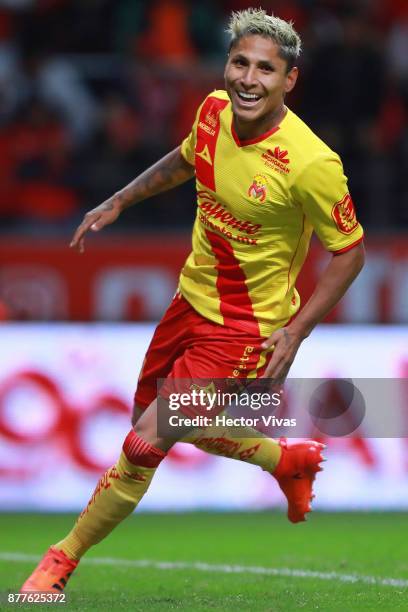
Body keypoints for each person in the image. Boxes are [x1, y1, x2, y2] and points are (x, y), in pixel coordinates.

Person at [21, 8, 364, 593]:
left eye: (265, 69)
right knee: (152, 425)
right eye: (239, 63)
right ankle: (283, 460)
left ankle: (59, 561)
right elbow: (185, 160)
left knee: (144, 440)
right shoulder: (211, 111)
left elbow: (350, 253)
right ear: (226, 66)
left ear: (289, 80)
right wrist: (120, 200)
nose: (248, 79)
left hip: (244, 328)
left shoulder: (311, 163)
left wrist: (297, 330)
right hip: (188, 304)